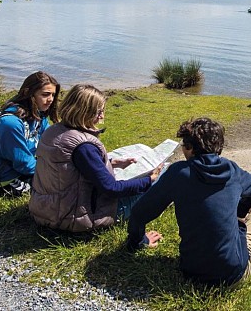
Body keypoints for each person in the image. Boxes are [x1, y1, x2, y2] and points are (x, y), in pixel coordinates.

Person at [127, 117, 251, 286]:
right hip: (232, 275)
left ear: (190, 148)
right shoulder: (231, 171)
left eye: (183, 144)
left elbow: (139, 213)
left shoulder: (178, 173)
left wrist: (137, 241)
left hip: (190, 271)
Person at [29, 84, 163, 233]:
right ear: (84, 112)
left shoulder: (53, 131)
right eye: (99, 112)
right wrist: (149, 180)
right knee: (164, 178)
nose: (102, 117)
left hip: (46, 209)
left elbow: (70, 167)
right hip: (75, 218)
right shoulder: (84, 147)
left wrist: (113, 163)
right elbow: (111, 188)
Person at [0, 71, 60, 195]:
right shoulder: (11, 124)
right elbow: (23, 164)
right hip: (8, 178)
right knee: (64, 186)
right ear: (28, 93)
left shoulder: (37, 115)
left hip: (27, 168)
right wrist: (54, 171)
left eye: (53, 95)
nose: (51, 100)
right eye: (45, 94)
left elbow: (51, 140)